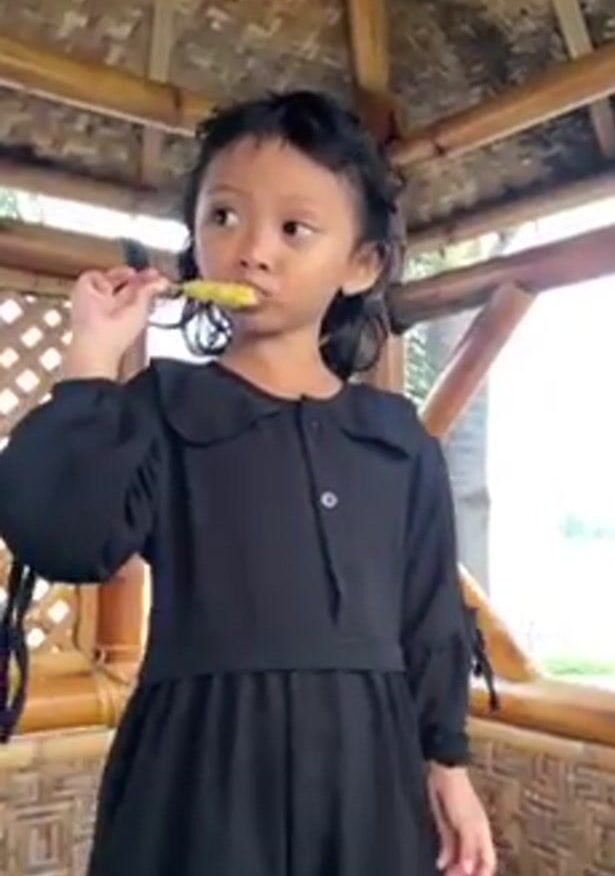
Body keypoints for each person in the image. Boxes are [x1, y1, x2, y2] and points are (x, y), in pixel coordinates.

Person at [0, 90, 496, 876]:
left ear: (361, 264)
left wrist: (449, 763)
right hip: (197, 776)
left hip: (370, 783)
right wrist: (91, 358)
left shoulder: (397, 438)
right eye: (224, 217)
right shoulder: (157, 407)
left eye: (294, 228)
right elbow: (61, 537)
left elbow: (429, 612)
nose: (251, 250)